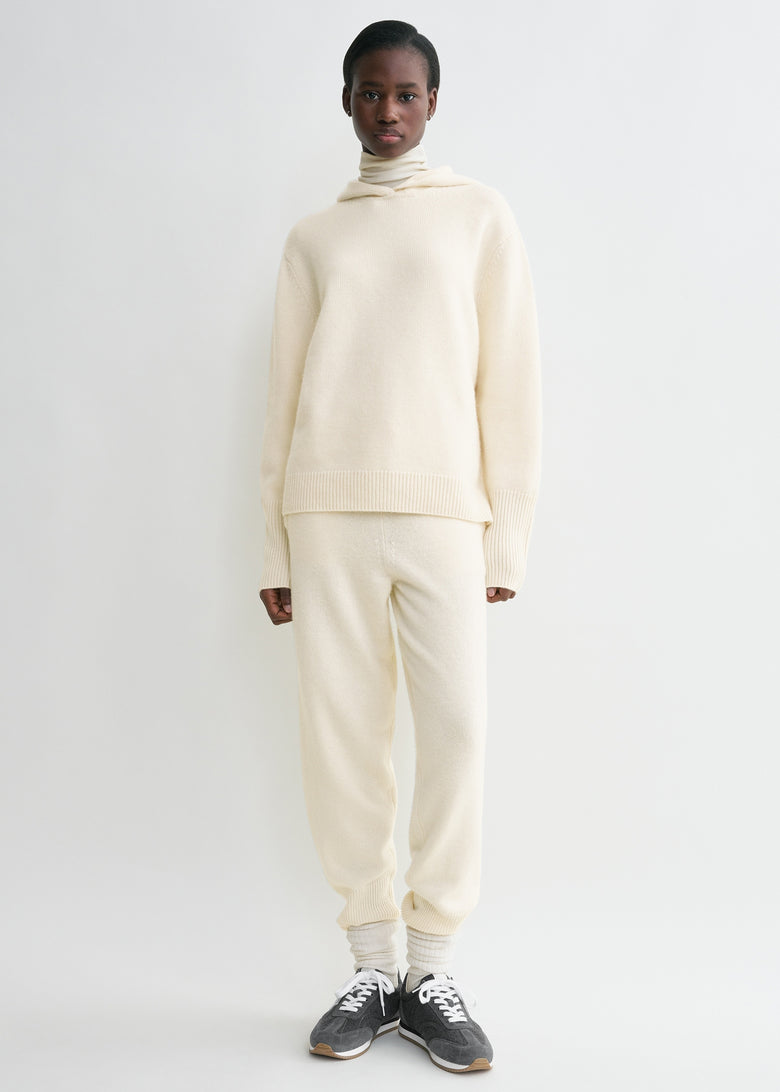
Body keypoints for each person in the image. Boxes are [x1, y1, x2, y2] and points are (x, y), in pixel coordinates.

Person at [258, 19, 542, 1074]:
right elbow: (281, 401)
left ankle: (433, 970)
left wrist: (505, 534)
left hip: (443, 519)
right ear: (346, 102)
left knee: (457, 734)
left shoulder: (479, 217)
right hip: (327, 516)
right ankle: (374, 965)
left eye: (407, 93)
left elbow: (509, 382)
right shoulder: (313, 241)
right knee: (342, 740)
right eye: (370, 92)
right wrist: (274, 550)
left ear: (432, 104)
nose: (388, 110)